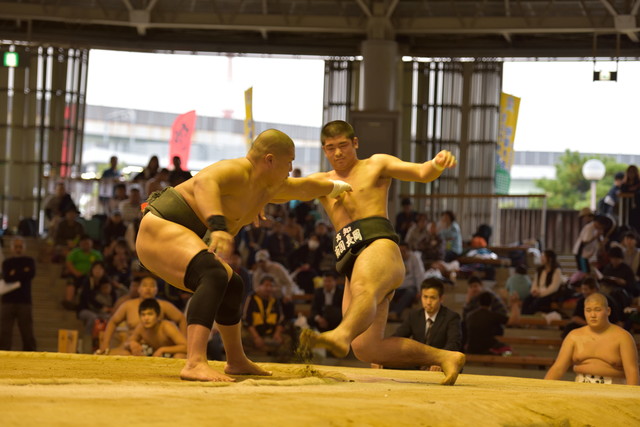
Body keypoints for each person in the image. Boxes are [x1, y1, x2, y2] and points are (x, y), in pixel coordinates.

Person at [135, 128, 352, 382]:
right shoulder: (238, 169)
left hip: (181, 234)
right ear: (270, 160)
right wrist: (217, 226)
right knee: (213, 274)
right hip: (161, 225)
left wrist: (341, 187)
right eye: (289, 162)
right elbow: (205, 183)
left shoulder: (267, 189)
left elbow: (305, 187)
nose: (291, 169)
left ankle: (236, 360)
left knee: (233, 284)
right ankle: (194, 362)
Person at [299, 120, 465, 385]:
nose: (338, 153)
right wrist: (257, 200)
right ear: (324, 150)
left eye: (343, 145)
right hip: (351, 261)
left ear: (355, 143)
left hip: (379, 248)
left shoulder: (376, 164)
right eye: (331, 148)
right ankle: (445, 357)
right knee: (366, 348)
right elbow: (285, 189)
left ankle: (340, 334)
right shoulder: (322, 182)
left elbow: (422, 172)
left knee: (363, 293)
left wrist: (436, 163)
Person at [545, 293, 639, 385]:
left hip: (614, 387)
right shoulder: (574, 336)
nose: (593, 315)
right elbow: (558, 368)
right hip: (581, 386)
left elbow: (632, 372)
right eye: (588, 310)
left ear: (608, 311)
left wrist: (631, 394)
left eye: (597, 310)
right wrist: (543, 389)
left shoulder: (623, 337)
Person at [97, 276, 187, 355]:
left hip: (158, 348)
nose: (148, 289)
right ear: (138, 289)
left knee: (180, 355)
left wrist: (183, 340)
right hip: (133, 347)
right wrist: (105, 344)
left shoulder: (164, 307)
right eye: (145, 285)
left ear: (156, 290)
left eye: (152, 286)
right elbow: (113, 322)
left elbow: (181, 319)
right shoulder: (128, 306)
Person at [391, 278, 462, 370]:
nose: (428, 302)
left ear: (441, 299)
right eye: (425, 297)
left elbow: (453, 344)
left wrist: (440, 360)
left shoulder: (451, 317)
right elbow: (397, 338)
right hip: (417, 364)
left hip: (440, 364)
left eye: (432, 298)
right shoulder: (414, 316)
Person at [0, 237, 37, 351]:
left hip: (24, 301)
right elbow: (7, 277)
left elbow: (30, 274)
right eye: (16, 247)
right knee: (5, 331)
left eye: (20, 247)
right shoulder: (7, 262)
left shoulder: (29, 261)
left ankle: (30, 354)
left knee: (27, 331)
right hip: (7, 301)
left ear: (24, 248)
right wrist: (22, 272)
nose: (18, 249)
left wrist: (15, 273)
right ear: (12, 248)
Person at [242, 275, 291, 359]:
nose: (268, 288)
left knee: (287, 340)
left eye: (271, 286)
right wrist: (256, 337)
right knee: (241, 336)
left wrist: (277, 333)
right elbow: (246, 320)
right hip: (253, 333)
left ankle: (280, 362)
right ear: (260, 286)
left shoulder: (275, 300)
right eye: (266, 285)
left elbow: (281, 320)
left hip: (270, 334)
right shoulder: (251, 298)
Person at [123, 298, 187, 358]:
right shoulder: (141, 328)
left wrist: (163, 349)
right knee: (125, 353)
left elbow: (186, 347)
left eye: (150, 314)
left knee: (180, 355)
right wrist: (131, 344)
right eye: (143, 315)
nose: (146, 318)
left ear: (158, 316)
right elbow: (126, 344)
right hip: (154, 354)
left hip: (171, 354)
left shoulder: (166, 327)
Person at [388, 241, 425, 321]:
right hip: (397, 287)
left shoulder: (414, 258)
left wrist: (420, 291)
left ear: (408, 251)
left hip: (410, 287)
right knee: (388, 294)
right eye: (400, 251)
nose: (402, 254)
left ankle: (395, 312)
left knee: (409, 292)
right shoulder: (394, 258)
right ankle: (389, 313)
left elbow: (419, 275)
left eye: (404, 251)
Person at [521, 249, 563, 315]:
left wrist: (541, 294)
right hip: (538, 292)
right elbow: (535, 283)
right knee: (527, 300)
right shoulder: (540, 269)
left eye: (543, 256)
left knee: (536, 303)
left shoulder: (556, 270)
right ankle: (523, 318)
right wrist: (534, 291)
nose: (541, 258)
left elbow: (554, 287)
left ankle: (530, 318)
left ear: (550, 258)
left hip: (549, 294)